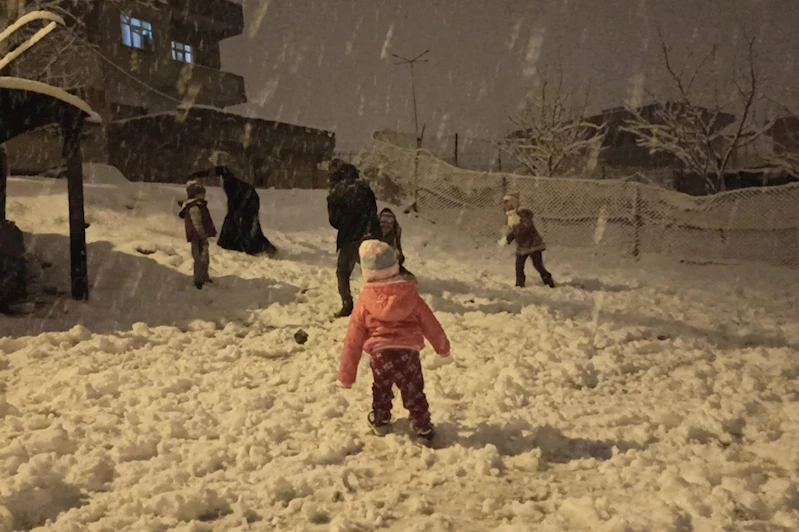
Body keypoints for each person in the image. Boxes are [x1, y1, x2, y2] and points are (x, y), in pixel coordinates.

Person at [338, 240, 451, 446]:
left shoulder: (365, 301)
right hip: (408, 352)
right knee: (413, 389)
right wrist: (442, 347)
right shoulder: (410, 294)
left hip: (381, 354)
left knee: (381, 388)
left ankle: (381, 420)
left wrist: (347, 375)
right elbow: (429, 321)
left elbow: (353, 338)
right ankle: (423, 428)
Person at [327, 161, 380, 318]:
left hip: (350, 238)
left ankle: (347, 304)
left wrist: (347, 223)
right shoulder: (364, 188)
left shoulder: (335, 192)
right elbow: (373, 209)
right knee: (375, 273)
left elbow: (334, 221)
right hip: (370, 235)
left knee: (343, 272)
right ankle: (381, 303)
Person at [216, 166, 277, 257]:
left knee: (248, 227)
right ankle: (235, 245)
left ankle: (255, 247)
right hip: (246, 204)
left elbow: (238, 205)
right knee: (242, 225)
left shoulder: (233, 185)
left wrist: (238, 213)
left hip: (249, 204)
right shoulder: (231, 182)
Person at [500, 192, 555, 288]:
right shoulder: (511, 216)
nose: (506, 205)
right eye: (505, 203)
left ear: (514, 203)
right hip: (522, 245)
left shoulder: (522, 213)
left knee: (538, 265)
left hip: (533, 244)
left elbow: (525, 226)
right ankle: (519, 283)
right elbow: (514, 230)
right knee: (519, 266)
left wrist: (515, 230)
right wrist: (508, 238)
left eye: (508, 202)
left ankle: (548, 279)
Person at [179, 180, 217, 289]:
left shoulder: (199, 205)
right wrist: (202, 235)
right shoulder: (194, 207)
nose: (204, 195)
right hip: (198, 237)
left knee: (205, 257)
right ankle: (198, 280)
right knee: (200, 258)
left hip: (201, 236)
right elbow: (197, 223)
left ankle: (204, 276)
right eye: (201, 193)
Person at [378, 207, 412, 276]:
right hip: (372, 265)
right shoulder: (372, 231)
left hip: (389, 265)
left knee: (411, 279)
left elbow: (401, 256)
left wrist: (397, 256)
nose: (385, 229)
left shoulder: (395, 233)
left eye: (389, 225)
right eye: (383, 225)